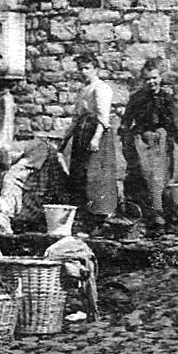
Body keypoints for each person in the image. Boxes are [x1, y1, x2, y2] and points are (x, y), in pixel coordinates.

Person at [120, 58, 178, 227]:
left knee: (168, 176)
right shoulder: (137, 98)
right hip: (143, 141)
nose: (151, 82)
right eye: (148, 79)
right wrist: (127, 142)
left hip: (163, 140)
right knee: (150, 177)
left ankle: (175, 211)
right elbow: (126, 122)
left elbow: (174, 124)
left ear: (160, 78)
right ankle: (156, 213)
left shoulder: (166, 98)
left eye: (154, 78)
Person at [60, 53, 117, 225]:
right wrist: (64, 140)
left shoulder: (101, 88)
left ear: (96, 69)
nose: (83, 72)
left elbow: (103, 117)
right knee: (79, 173)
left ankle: (100, 214)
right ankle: (83, 213)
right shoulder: (84, 90)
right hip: (82, 133)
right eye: (81, 69)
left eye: (87, 68)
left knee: (96, 174)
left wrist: (96, 138)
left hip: (96, 133)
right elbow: (76, 117)